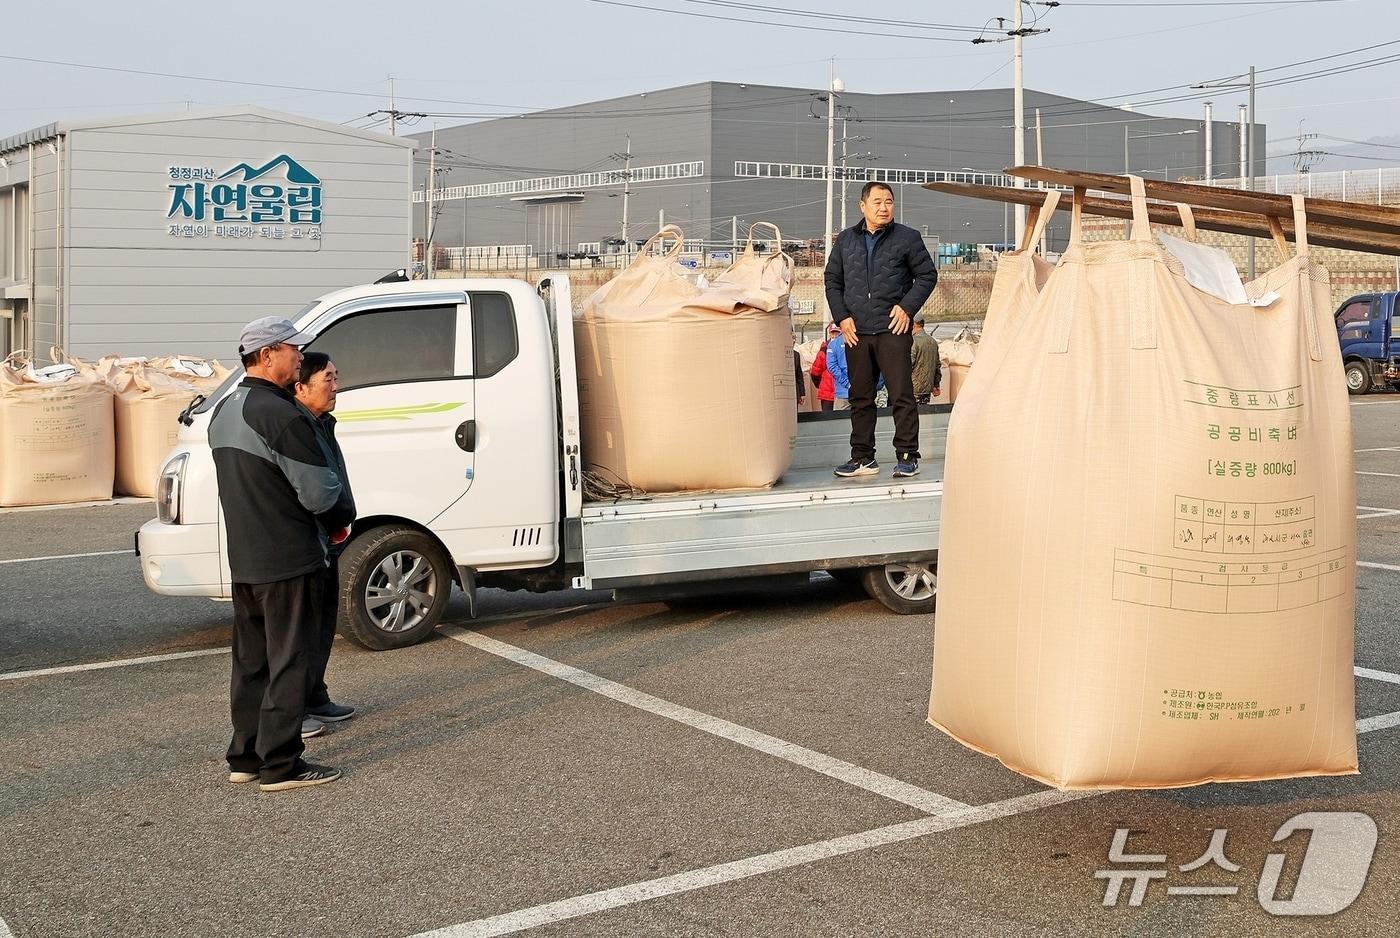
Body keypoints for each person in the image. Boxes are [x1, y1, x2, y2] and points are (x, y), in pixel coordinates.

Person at [209, 316, 355, 793]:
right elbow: (318, 493)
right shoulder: (282, 415)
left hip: (247, 558)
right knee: (290, 660)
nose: (300, 358)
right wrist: (338, 519)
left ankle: (246, 756)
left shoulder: (225, 409)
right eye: (294, 349)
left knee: (251, 663)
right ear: (268, 354)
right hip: (290, 555)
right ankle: (281, 765)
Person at [824, 181, 938, 478]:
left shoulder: (907, 238)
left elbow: (927, 275)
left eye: (889, 201)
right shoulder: (846, 240)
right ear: (863, 206)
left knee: (901, 394)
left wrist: (906, 307)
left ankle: (907, 455)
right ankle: (862, 458)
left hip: (892, 328)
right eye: (877, 202)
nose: (884, 207)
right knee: (860, 396)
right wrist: (842, 317)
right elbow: (832, 280)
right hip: (855, 331)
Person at [292, 352, 357, 735]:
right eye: (327, 379)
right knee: (298, 632)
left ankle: (315, 695)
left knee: (321, 624)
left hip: (328, 539)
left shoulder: (321, 423)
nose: (336, 386)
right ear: (301, 387)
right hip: (305, 541)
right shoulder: (298, 427)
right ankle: (293, 708)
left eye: (336, 377)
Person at [911, 314, 942, 405]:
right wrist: (936, 385)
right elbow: (937, 365)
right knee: (924, 412)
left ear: (913, 325)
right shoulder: (932, 341)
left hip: (914, 388)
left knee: (913, 414)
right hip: (927, 388)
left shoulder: (913, 341)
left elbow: (908, 364)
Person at [810, 323, 839, 411]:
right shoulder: (824, 350)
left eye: (837, 333)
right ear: (829, 334)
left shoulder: (827, 349)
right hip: (828, 392)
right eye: (832, 333)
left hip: (840, 392)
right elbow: (815, 371)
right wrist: (821, 385)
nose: (834, 336)